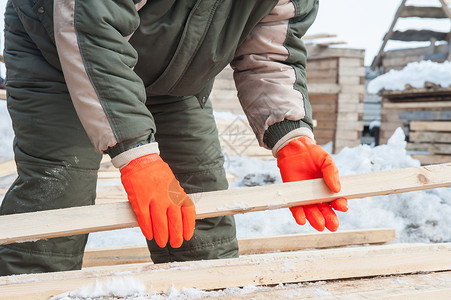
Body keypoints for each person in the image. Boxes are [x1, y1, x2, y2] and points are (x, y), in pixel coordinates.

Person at [0, 0, 348, 276]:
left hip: (175, 77)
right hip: (61, 53)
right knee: (61, 188)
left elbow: (270, 53)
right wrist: (137, 157)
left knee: (198, 200)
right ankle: (29, 285)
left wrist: (291, 138)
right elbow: (90, 26)